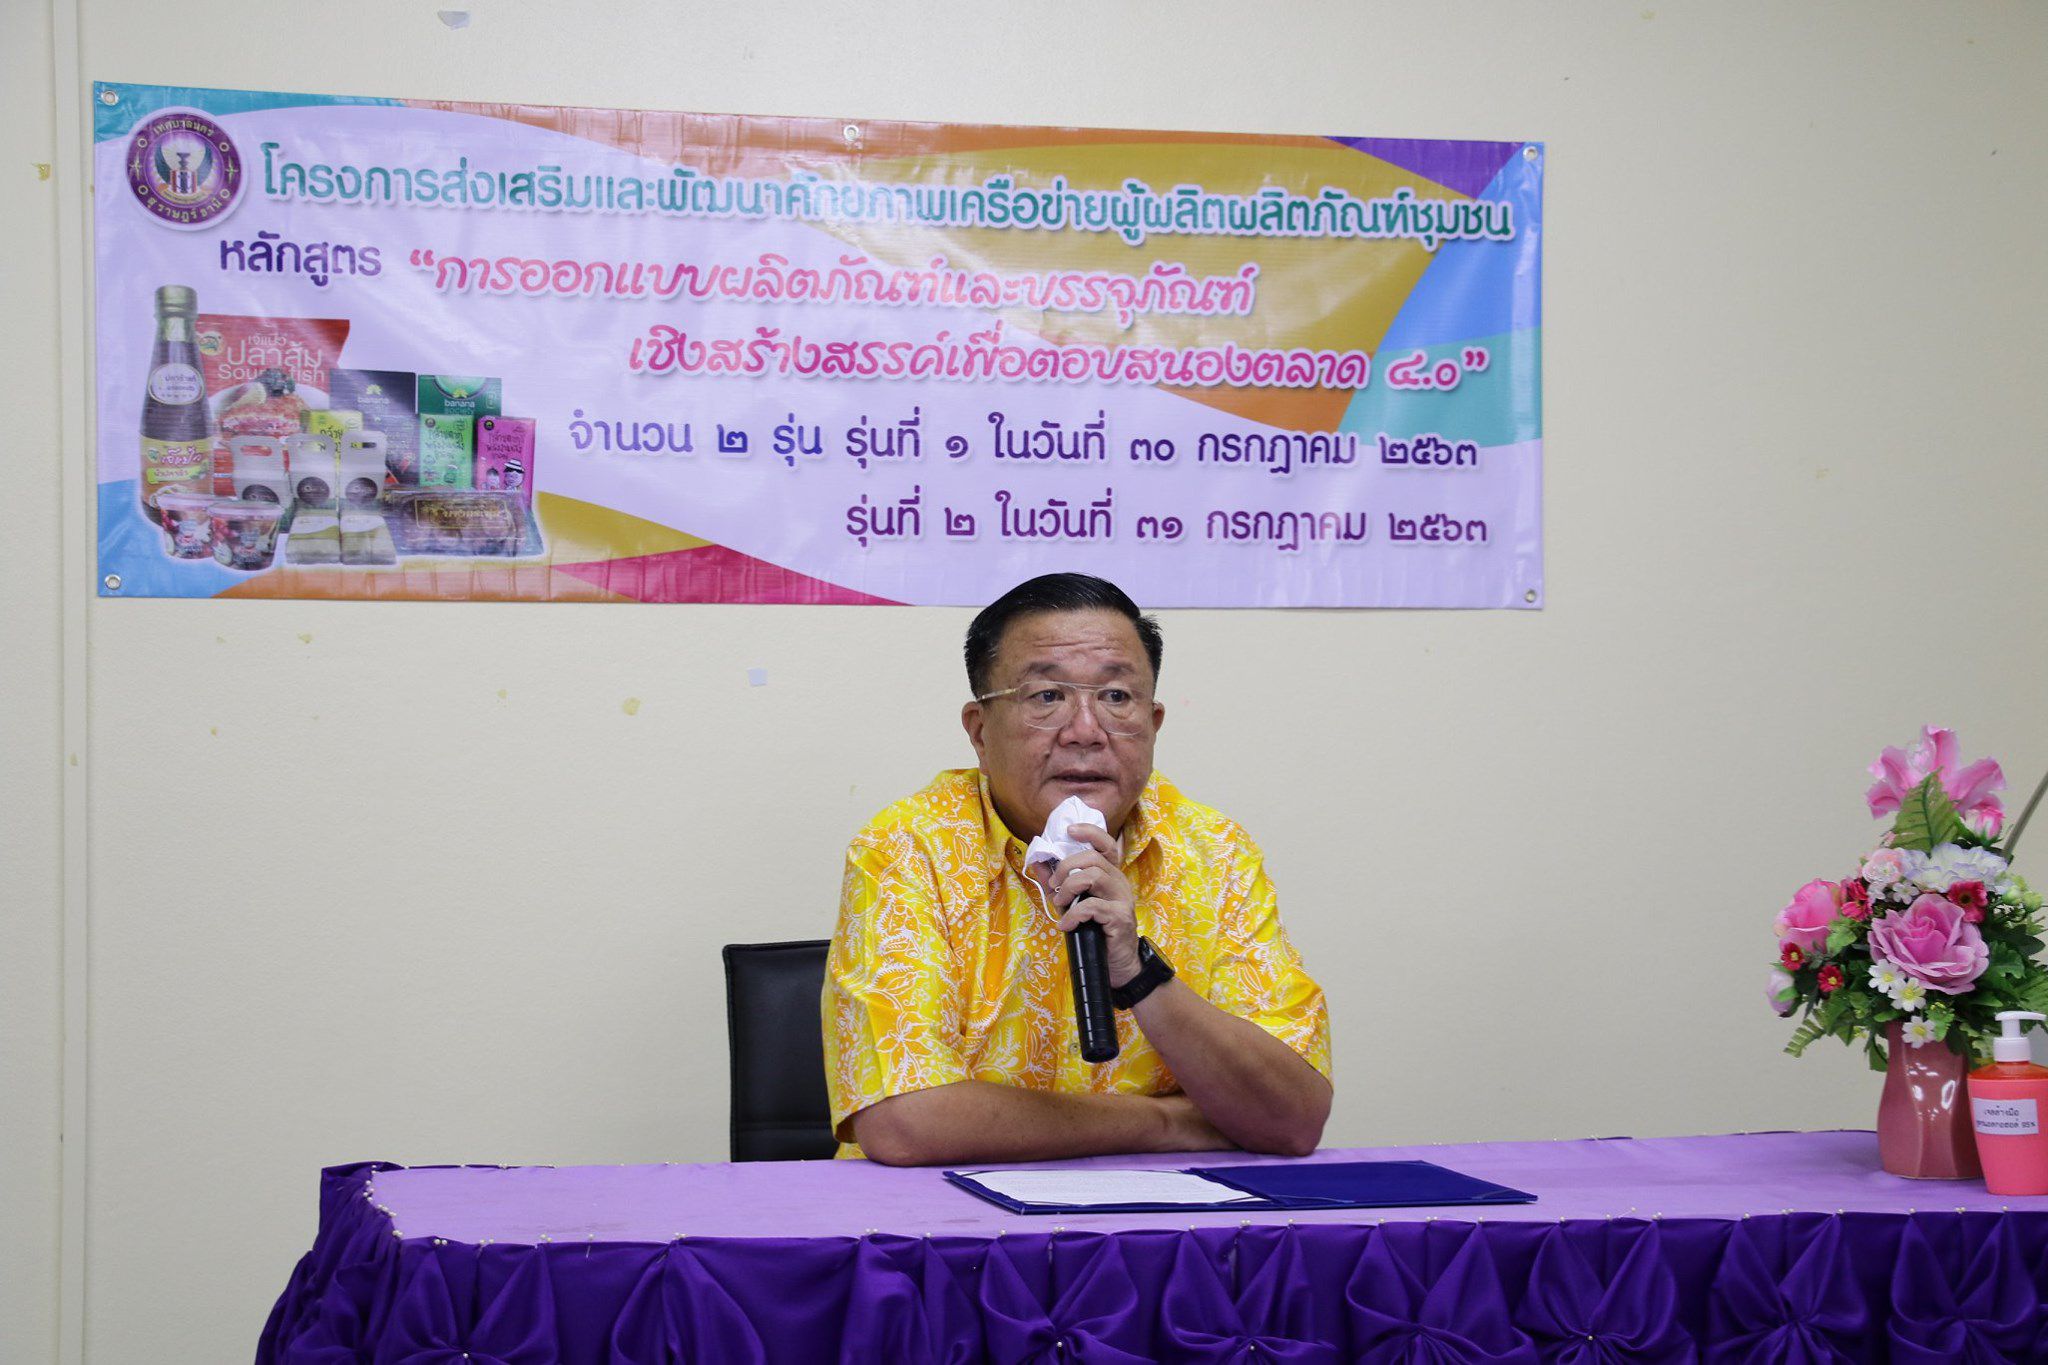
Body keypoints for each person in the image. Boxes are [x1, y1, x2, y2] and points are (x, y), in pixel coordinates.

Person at [822, 573, 1332, 1164]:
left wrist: (1139, 974)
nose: (1086, 732)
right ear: (980, 732)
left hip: (1164, 1216)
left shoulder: (1213, 849)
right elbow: (904, 1123)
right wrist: (1168, 1123)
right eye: (1047, 697)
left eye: (1116, 697)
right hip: (942, 1217)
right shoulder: (909, 847)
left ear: (1153, 723)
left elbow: (1293, 1121)